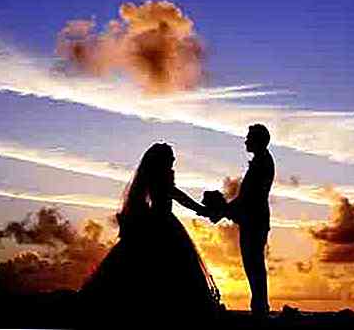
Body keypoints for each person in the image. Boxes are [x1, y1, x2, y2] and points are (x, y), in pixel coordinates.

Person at [79, 143, 220, 325]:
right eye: (170, 156)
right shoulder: (161, 176)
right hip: (162, 224)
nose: (174, 159)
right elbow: (177, 195)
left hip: (159, 222)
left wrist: (200, 209)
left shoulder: (157, 175)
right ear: (163, 160)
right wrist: (200, 209)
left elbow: (174, 195)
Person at [224, 124, 275, 317]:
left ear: (258, 141)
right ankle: (259, 305)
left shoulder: (262, 163)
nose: (246, 141)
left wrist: (223, 210)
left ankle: (260, 307)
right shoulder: (262, 161)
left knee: (254, 264)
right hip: (253, 218)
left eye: (249, 137)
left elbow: (249, 197)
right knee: (253, 264)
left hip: (255, 219)